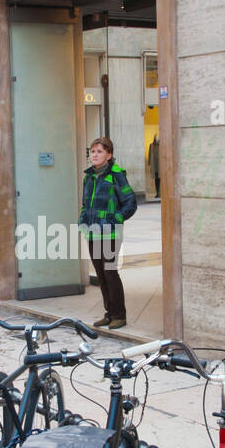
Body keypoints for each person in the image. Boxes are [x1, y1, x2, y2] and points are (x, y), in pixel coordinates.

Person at [79, 135, 137, 329]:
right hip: (93, 233)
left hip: (110, 235)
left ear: (109, 155)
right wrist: (83, 220)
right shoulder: (89, 176)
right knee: (101, 275)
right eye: (92, 151)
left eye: (99, 151)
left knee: (110, 273)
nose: (94, 155)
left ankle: (119, 315)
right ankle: (109, 313)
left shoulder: (116, 175)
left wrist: (115, 220)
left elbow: (130, 203)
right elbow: (85, 204)